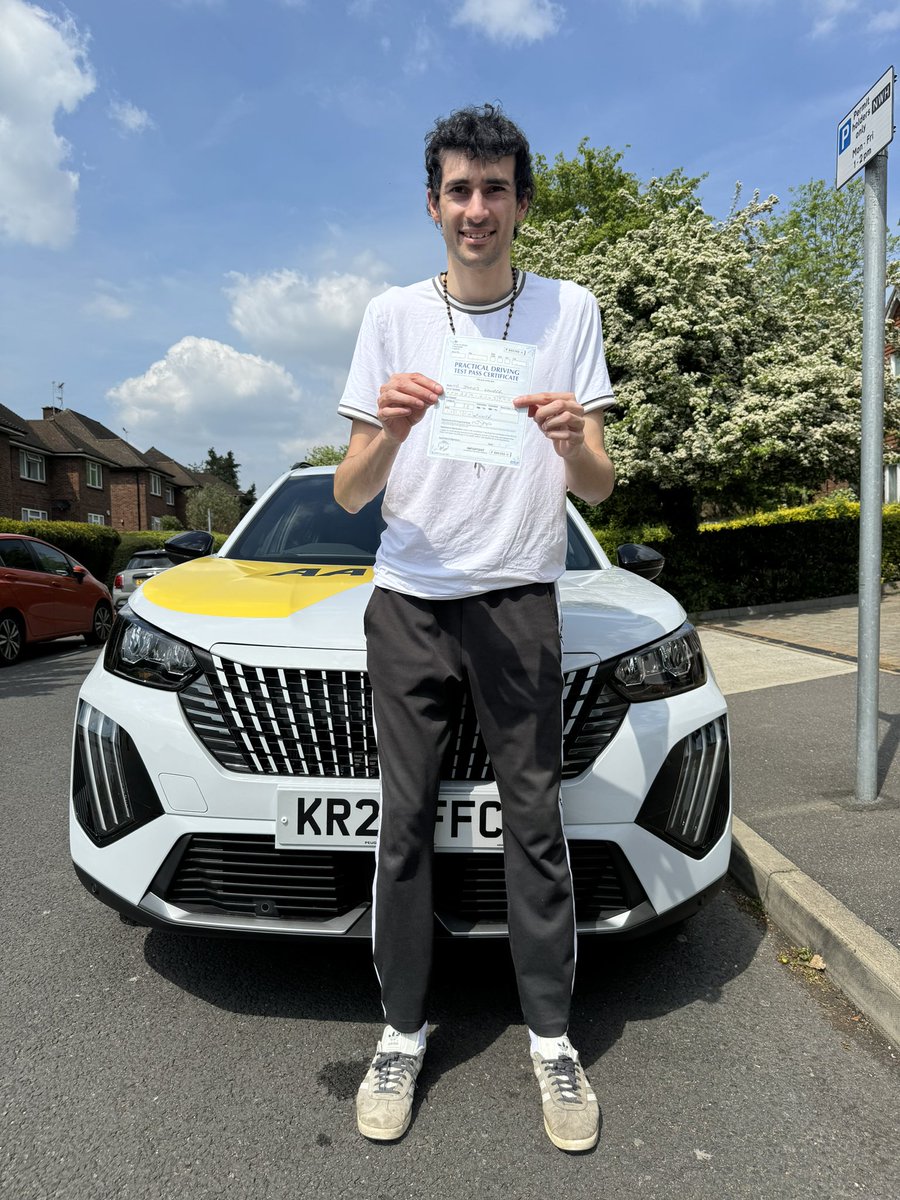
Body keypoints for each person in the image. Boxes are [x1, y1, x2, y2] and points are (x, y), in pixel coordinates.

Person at [334, 103, 615, 1151]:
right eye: (459, 189)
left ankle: (552, 1040)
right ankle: (402, 1029)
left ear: (522, 204)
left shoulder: (569, 312)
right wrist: (392, 428)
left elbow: (597, 481)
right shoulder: (390, 319)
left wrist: (572, 436)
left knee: (533, 823)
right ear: (432, 205)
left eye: (496, 189)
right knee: (402, 827)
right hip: (410, 597)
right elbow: (357, 494)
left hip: (518, 595)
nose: (477, 208)